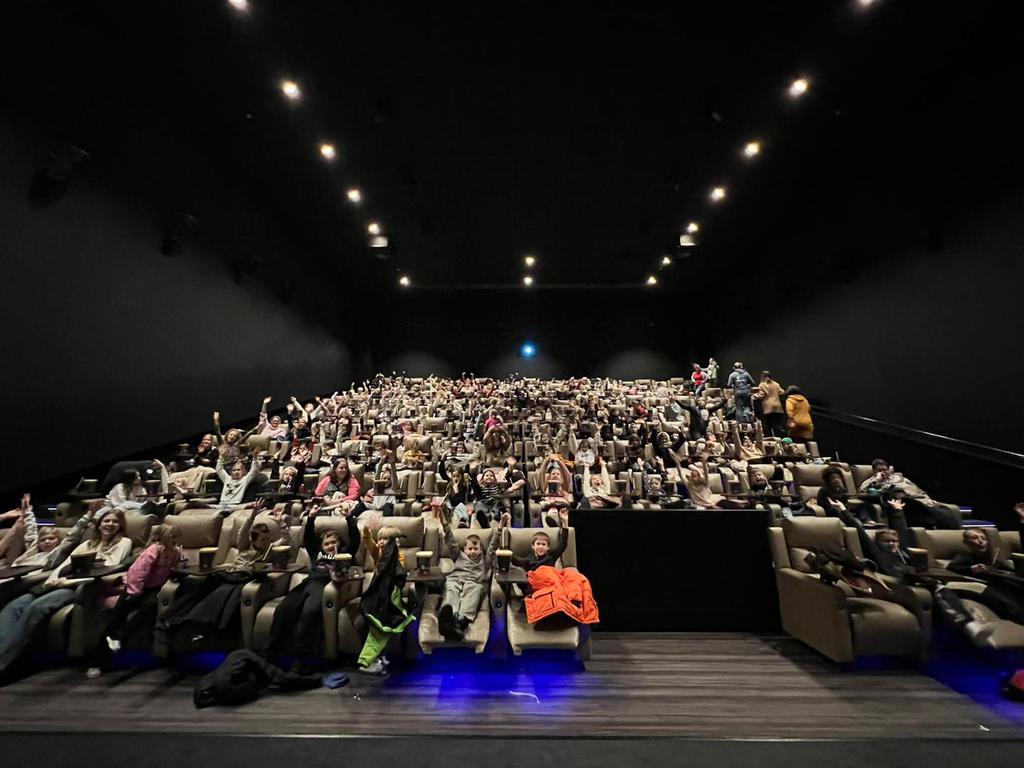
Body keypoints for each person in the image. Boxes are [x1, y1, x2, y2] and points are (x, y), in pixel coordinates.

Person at [0, 508, 132, 677]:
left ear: (121, 526)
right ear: (99, 525)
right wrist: (52, 580)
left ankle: (3, 662)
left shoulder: (124, 542)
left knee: (35, 608)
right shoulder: (87, 544)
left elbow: (108, 567)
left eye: (115, 521)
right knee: (14, 607)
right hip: (56, 584)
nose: (110, 524)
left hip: (75, 587)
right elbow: (65, 565)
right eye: (106, 520)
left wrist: (66, 582)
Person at [263, 502, 360, 673]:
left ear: (340, 543)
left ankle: (302, 660)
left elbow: (355, 540)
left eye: (333, 542)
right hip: (307, 583)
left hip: (325, 585)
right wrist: (311, 518)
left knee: (309, 614)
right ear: (321, 546)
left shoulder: (344, 553)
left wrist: (349, 518)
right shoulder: (317, 553)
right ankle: (271, 654)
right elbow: (308, 538)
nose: (330, 546)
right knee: (284, 609)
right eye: (327, 543)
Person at [357, 525, 415, 675]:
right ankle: (373, 658)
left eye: (385, 539)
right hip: (377, 598)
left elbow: (398, 573)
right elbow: (371, 546)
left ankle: (380, 656)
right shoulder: (379, 554)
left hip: (391, 598)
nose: (381, 542)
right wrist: (367, 535)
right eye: (380, 538)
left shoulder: (398, 556)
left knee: (386, 625)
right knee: (366, 623)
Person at [436, 509, 502, 641]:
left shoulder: (485, 561)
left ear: (481, 550)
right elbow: (450, 540)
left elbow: (493, 546)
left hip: (474, 582)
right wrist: (444, 523)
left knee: (473, 591)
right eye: (470, 549)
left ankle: (460, 622)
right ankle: (448, 618)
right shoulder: (458, 555)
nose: (472, 551)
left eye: (476, 549)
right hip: (455, 579)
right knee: (451, 589)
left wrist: (500, 527)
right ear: (464, 549)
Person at [857, 458, 960, 529]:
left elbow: (918, 490)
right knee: (923, 510)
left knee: (946, 513)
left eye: (885, 470)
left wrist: (928, 499)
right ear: (874, 471)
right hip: (902, 502)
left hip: (919, 500)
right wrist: (877, 480)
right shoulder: (871, 481)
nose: (883, 472)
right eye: (879, 470)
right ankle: (932, 523)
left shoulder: (901, 478)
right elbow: (862, 492)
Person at [755, 372, 786, 437]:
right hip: (777, 407)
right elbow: (782, 392)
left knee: (768, 426)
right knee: (777, 425)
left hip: (768, 408)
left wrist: (755, 395)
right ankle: (779, 438)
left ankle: (771, 439)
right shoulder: (776, 384)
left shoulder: (762, 385)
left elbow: (762, 395)